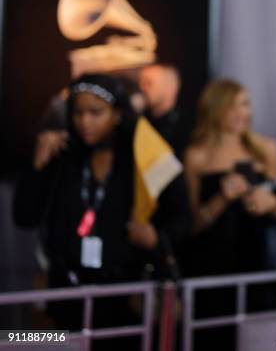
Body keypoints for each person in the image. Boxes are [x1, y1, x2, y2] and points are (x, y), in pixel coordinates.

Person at [13, 74, 192, 344]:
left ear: (117, 113)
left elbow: (183, 218)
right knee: (26, 341)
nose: (85, 121)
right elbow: (24, 216)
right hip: (66, 298)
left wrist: (156, 238)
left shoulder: (143, 156)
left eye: (96, 113)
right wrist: (37, 167)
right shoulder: (63, 154)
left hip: (124, 302)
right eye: (78, 112)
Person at [180, 78, 276, 348]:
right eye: (231, 106)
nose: (241, 113)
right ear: (214, 110)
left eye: (244, 104)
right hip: (211, 269)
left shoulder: (266, 150)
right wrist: (222, 198)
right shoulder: (196, 156)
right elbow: (189, 225)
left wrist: (271, 204)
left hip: (259, 266)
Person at [139, 63, 190, 158]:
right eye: (141, 83)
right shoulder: (139, 122)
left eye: (148, 83)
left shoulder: (187, 128)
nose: (142, 88)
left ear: (170, 87)